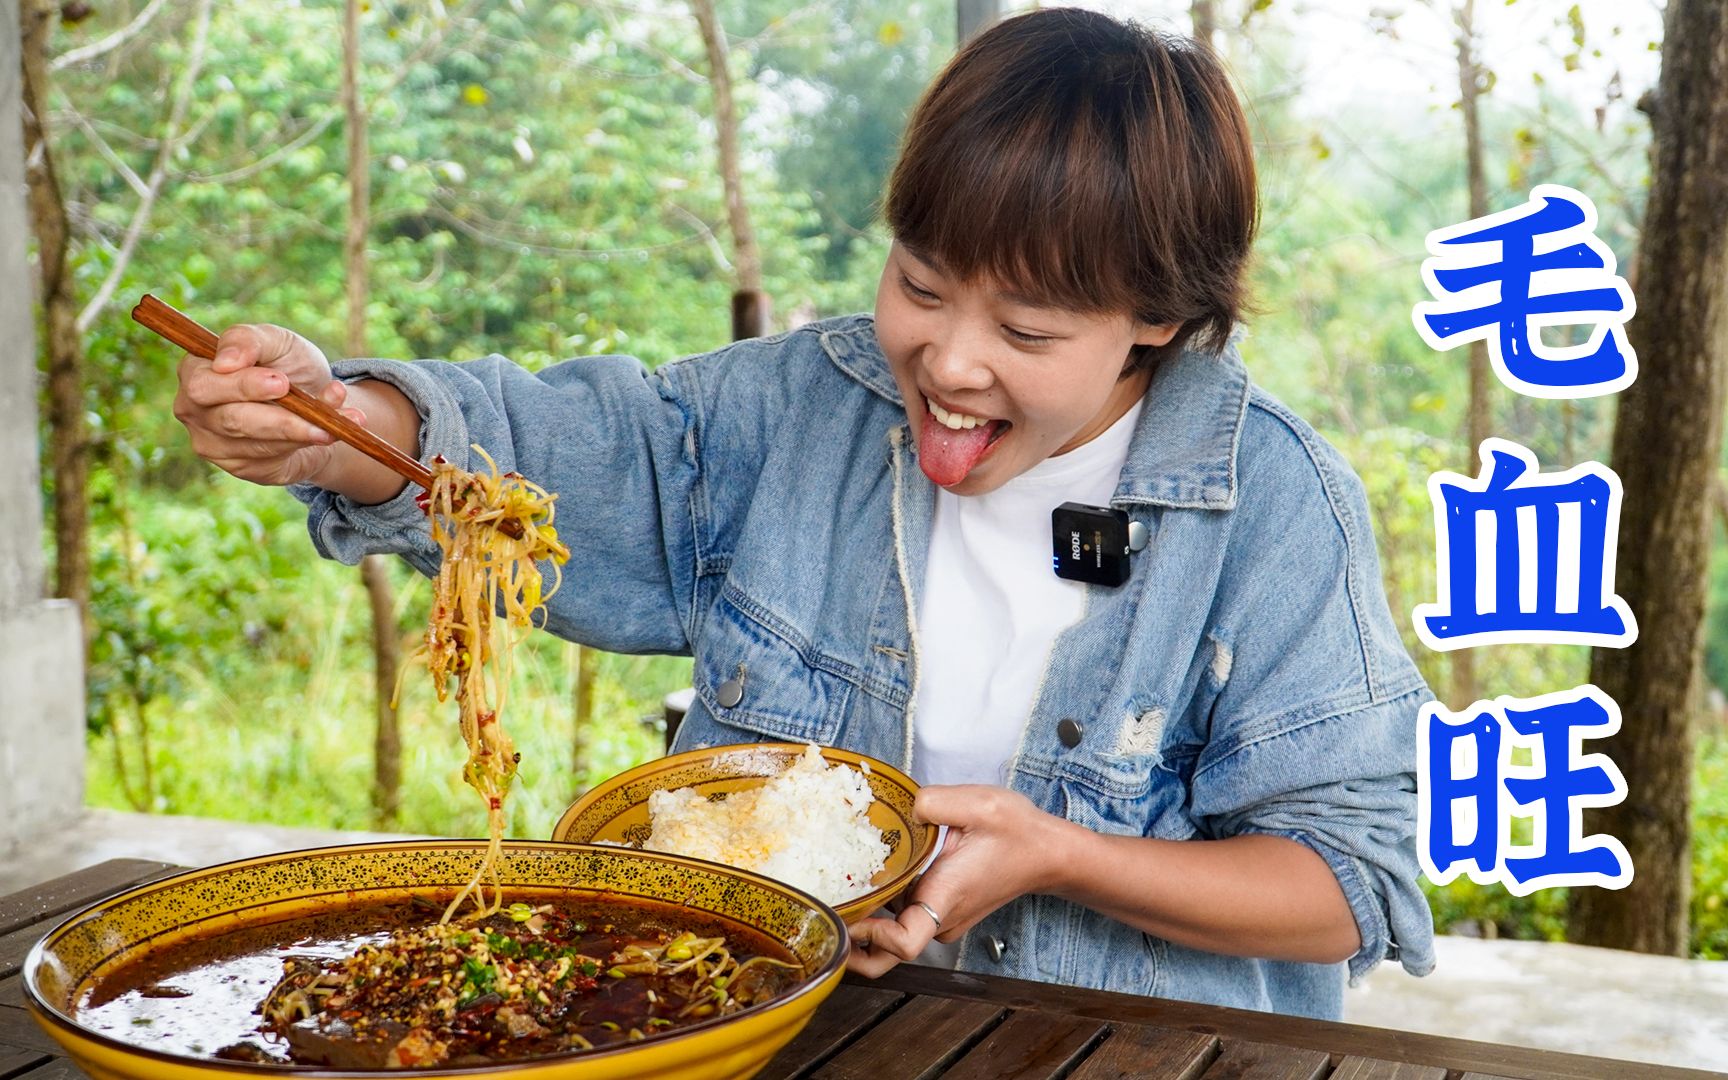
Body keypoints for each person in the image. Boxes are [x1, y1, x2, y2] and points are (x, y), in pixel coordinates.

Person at [172, 7, 1435, 1019]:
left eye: (1029, 331)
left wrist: (1061, 854)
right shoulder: (802, 407)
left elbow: (1347, 883)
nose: (947, 362)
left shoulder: (1271, 504)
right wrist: (343, 428)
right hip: (790, 1025)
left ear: (1157, 318)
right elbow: (578, 455)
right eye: (922, 285)